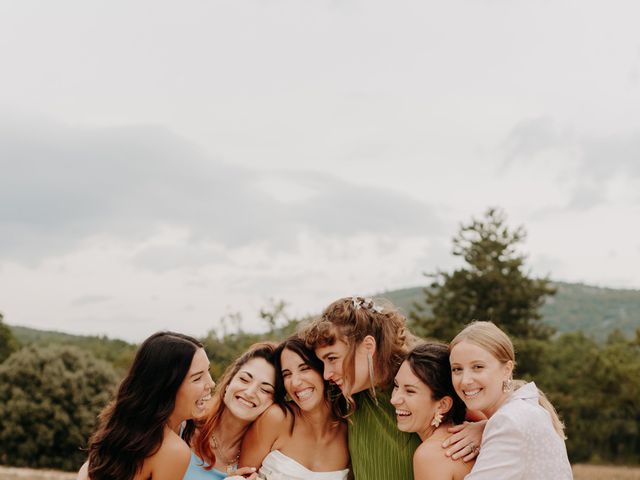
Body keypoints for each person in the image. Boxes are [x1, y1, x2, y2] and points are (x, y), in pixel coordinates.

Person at [302, 296, 483, 480]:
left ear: (368, 346)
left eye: (333, 358)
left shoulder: (422, 378)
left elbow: (489, 415)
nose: (327, 374)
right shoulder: (344, 391)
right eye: (322, 362)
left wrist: (482, 429)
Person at [78, 331, 214, 480]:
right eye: (197, 378)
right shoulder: (173, 450)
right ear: (166, 387)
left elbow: (88, 468)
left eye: (208, 371)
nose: (211, 383)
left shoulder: (128, 428)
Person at [449, 321, 573, 479]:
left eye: (478, 367)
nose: (465, 380)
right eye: (457, 369)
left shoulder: (508, 421)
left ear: (507, 369)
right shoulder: (524, 408)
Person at [240, 336, 350, 480]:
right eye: (287, 374)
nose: (295, 382)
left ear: (323, 370)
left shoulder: (348, 431)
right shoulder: (276, 418)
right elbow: (241, 475)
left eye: (304, 369)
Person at [183, 342, 278, 480]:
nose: (250, 392)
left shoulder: (264, 464)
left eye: (265, 390)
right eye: (244, 379)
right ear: (229, 383)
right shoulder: (183, 427)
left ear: (274, 404)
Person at [391, 342, 473, 480]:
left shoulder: (431, 455)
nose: (394, 400)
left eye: (410, 391)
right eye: (396, 386)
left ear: (442, 405)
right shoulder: (468, 435)